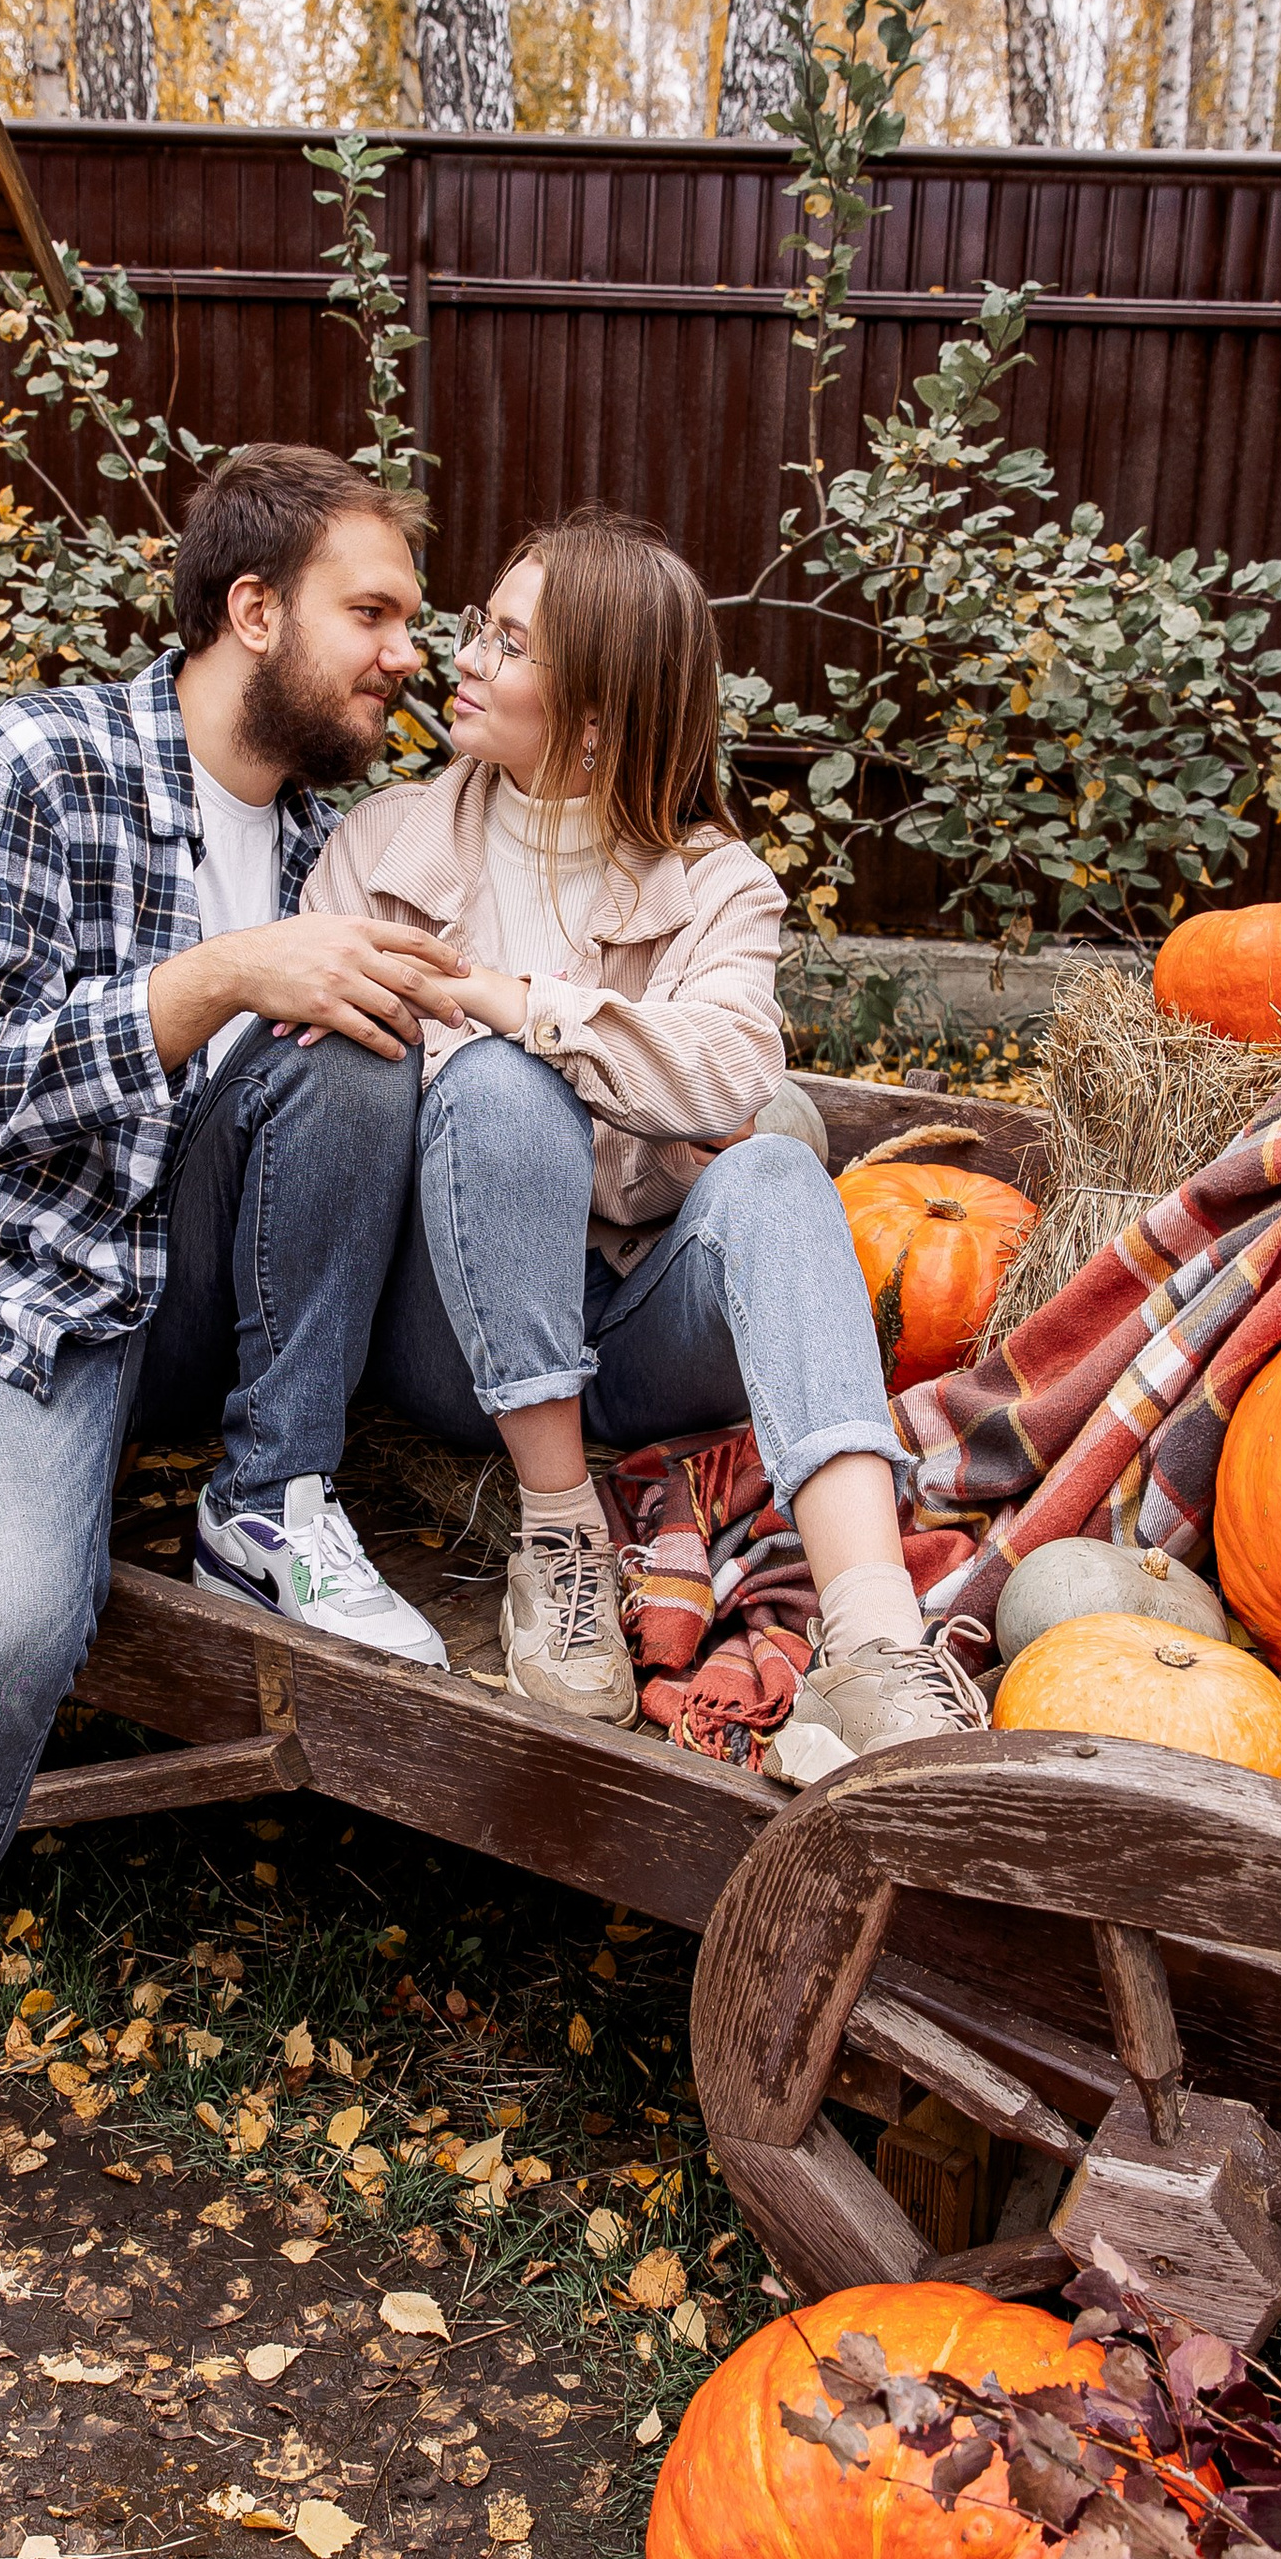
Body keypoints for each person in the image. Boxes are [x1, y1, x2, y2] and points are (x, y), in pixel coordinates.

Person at [0, 444, 473, 2312]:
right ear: (256, 612)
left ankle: (271, 1499)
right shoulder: (38, 764)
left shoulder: (355, 836)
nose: (409, 651)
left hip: (219, 1320)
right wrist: (221, 973)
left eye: (414, 617)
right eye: (375, 613)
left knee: (355, 1025)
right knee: (4, 1621)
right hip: (18, 1287)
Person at [310, 504, 983, 1774]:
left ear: (598, 716)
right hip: (453, 1337)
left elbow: (735, 1069)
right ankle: (559, 1543)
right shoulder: (376, 851)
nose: (462, 658)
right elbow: (331, 1097)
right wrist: (519, 1052)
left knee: (780, 1170)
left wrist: (527, 1003)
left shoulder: (717, 883)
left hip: (639, 1320)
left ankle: (876, 1643)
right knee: (504, 1090)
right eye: (479, 628)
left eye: (506, 643)